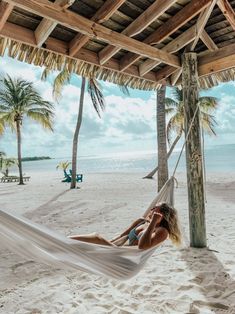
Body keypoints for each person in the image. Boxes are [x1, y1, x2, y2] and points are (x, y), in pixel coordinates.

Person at [69, 202, 182, 250]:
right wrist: (108, 244)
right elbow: (122, 236)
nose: (151, 209)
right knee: (95, 240)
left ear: (161, 214)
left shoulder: (162, 231)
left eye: (155, 208)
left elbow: (142, 246)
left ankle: (65, 241)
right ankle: (64, 243)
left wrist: (153, 222)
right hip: (119, 249)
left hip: (127, 257)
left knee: (96, 237)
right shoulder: (141, 221)